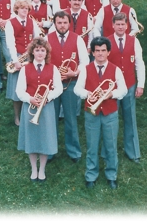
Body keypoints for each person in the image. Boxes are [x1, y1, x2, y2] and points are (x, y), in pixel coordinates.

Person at [74, 36, 127, 190]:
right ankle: (91, 174)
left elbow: (123, 89)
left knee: (111, 145)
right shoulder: (85, 69)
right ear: (93, 52)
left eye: (103, 50)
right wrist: (87, 94)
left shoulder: (115, 69)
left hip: (110, 112)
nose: (100, 54)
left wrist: (111, 94)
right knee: (92, 145)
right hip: (92, 113)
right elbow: (77, 89)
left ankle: (111, 175)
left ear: (108, 52)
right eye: (97, 51)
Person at [16, 38, 63, 182]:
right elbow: (19, 90)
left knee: (45, 138)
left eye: (43, 50)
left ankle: (42, 169)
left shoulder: (53, 68)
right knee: (31, 138)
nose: (40, 53)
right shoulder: (25, 69)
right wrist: (29, 98)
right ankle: (33, 168)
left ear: (47, 52)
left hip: (46, 108)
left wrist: (47, 98)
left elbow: (59, 88)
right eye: (37, 50)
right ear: (32, 52)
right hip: (30, 107)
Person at [48, 11, 90, 162]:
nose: (62, 25)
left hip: (71, 84)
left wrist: (74, 72)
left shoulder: (77, 39)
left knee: (71, 118)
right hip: (52, 85)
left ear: (69, 23)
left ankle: (73, 151)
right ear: (54, 24)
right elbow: (43, 61)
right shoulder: (47, 38)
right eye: (59, 23)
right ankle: (50, 150)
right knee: (51, 119)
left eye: (65, 22)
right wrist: (53, 75)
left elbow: (85, 62)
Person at [107, 13, 144, 163]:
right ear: (113, 25)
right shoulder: (107, 42)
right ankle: (109, 151)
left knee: (130, 118)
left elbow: (139, 63)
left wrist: (140, 84)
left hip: (129, 85)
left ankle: (133, 151)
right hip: (113, 89)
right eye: (118, 24)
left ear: (127, 25)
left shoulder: (134, 41)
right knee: (111, 120)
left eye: (123, 24)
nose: (121, 27)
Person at [5, 0, 42, 126]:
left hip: (31, 58)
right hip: (18, 57)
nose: (24, 10)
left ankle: (30, 113)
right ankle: (17, 117)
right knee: (17, 89)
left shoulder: (32, 22)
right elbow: (10, 43)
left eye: (26, 8)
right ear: (17, 9)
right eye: (22, 8)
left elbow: (37, 38)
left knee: (31, 86)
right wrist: (15, 61)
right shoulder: (10, 23)